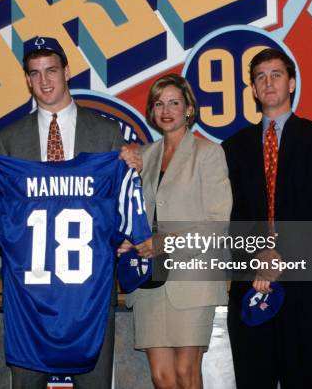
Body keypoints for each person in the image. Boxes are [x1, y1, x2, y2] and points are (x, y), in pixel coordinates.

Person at [0, 36, 142, 389]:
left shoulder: (108, 133)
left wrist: (133, 172)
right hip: (29, 295)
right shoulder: (9, 140)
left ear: (66, 71)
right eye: (34, 73)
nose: (44, 81)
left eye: (51, 70)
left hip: (90, 293)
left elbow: (122, 211)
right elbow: (0, 221)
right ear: (27, 80)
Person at [222, 48, 312, 388]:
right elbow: (234, 214)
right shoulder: (234, 147)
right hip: (251, 282)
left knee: (306, 377)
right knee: (253, 377)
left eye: (276, 75)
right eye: (260, 77)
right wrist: (259, 255)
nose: (268, 83)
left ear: (292, 83)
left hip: (304, 284)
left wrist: (279, 256)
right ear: (254, 91)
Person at [123, 73, 232, 389]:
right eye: (159, 103)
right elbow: (128, 215)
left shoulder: (208, 154)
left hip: (192, 280)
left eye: (174, 102)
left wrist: (164, 243)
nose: (166, 110)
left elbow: (217, 223)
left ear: (189, 109)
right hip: (148, 280)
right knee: (161, 377)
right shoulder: (142, 157)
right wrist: (125, 242)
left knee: (186, 372)